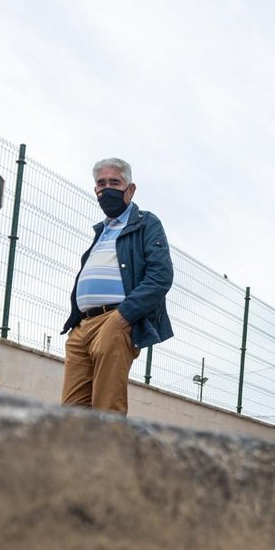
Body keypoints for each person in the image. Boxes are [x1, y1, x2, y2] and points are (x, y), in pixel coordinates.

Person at [60, 158, 175, 414]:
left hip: (115, 320)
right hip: (82, 326)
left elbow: (161, 275)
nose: (107, 188)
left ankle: (109, 455)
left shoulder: (146, 223)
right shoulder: (101, 231)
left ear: (130, 189)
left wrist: (123, 316)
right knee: (70, 413)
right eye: (102, 183)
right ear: (95, 191)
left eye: (115, 182)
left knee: (106, 409)